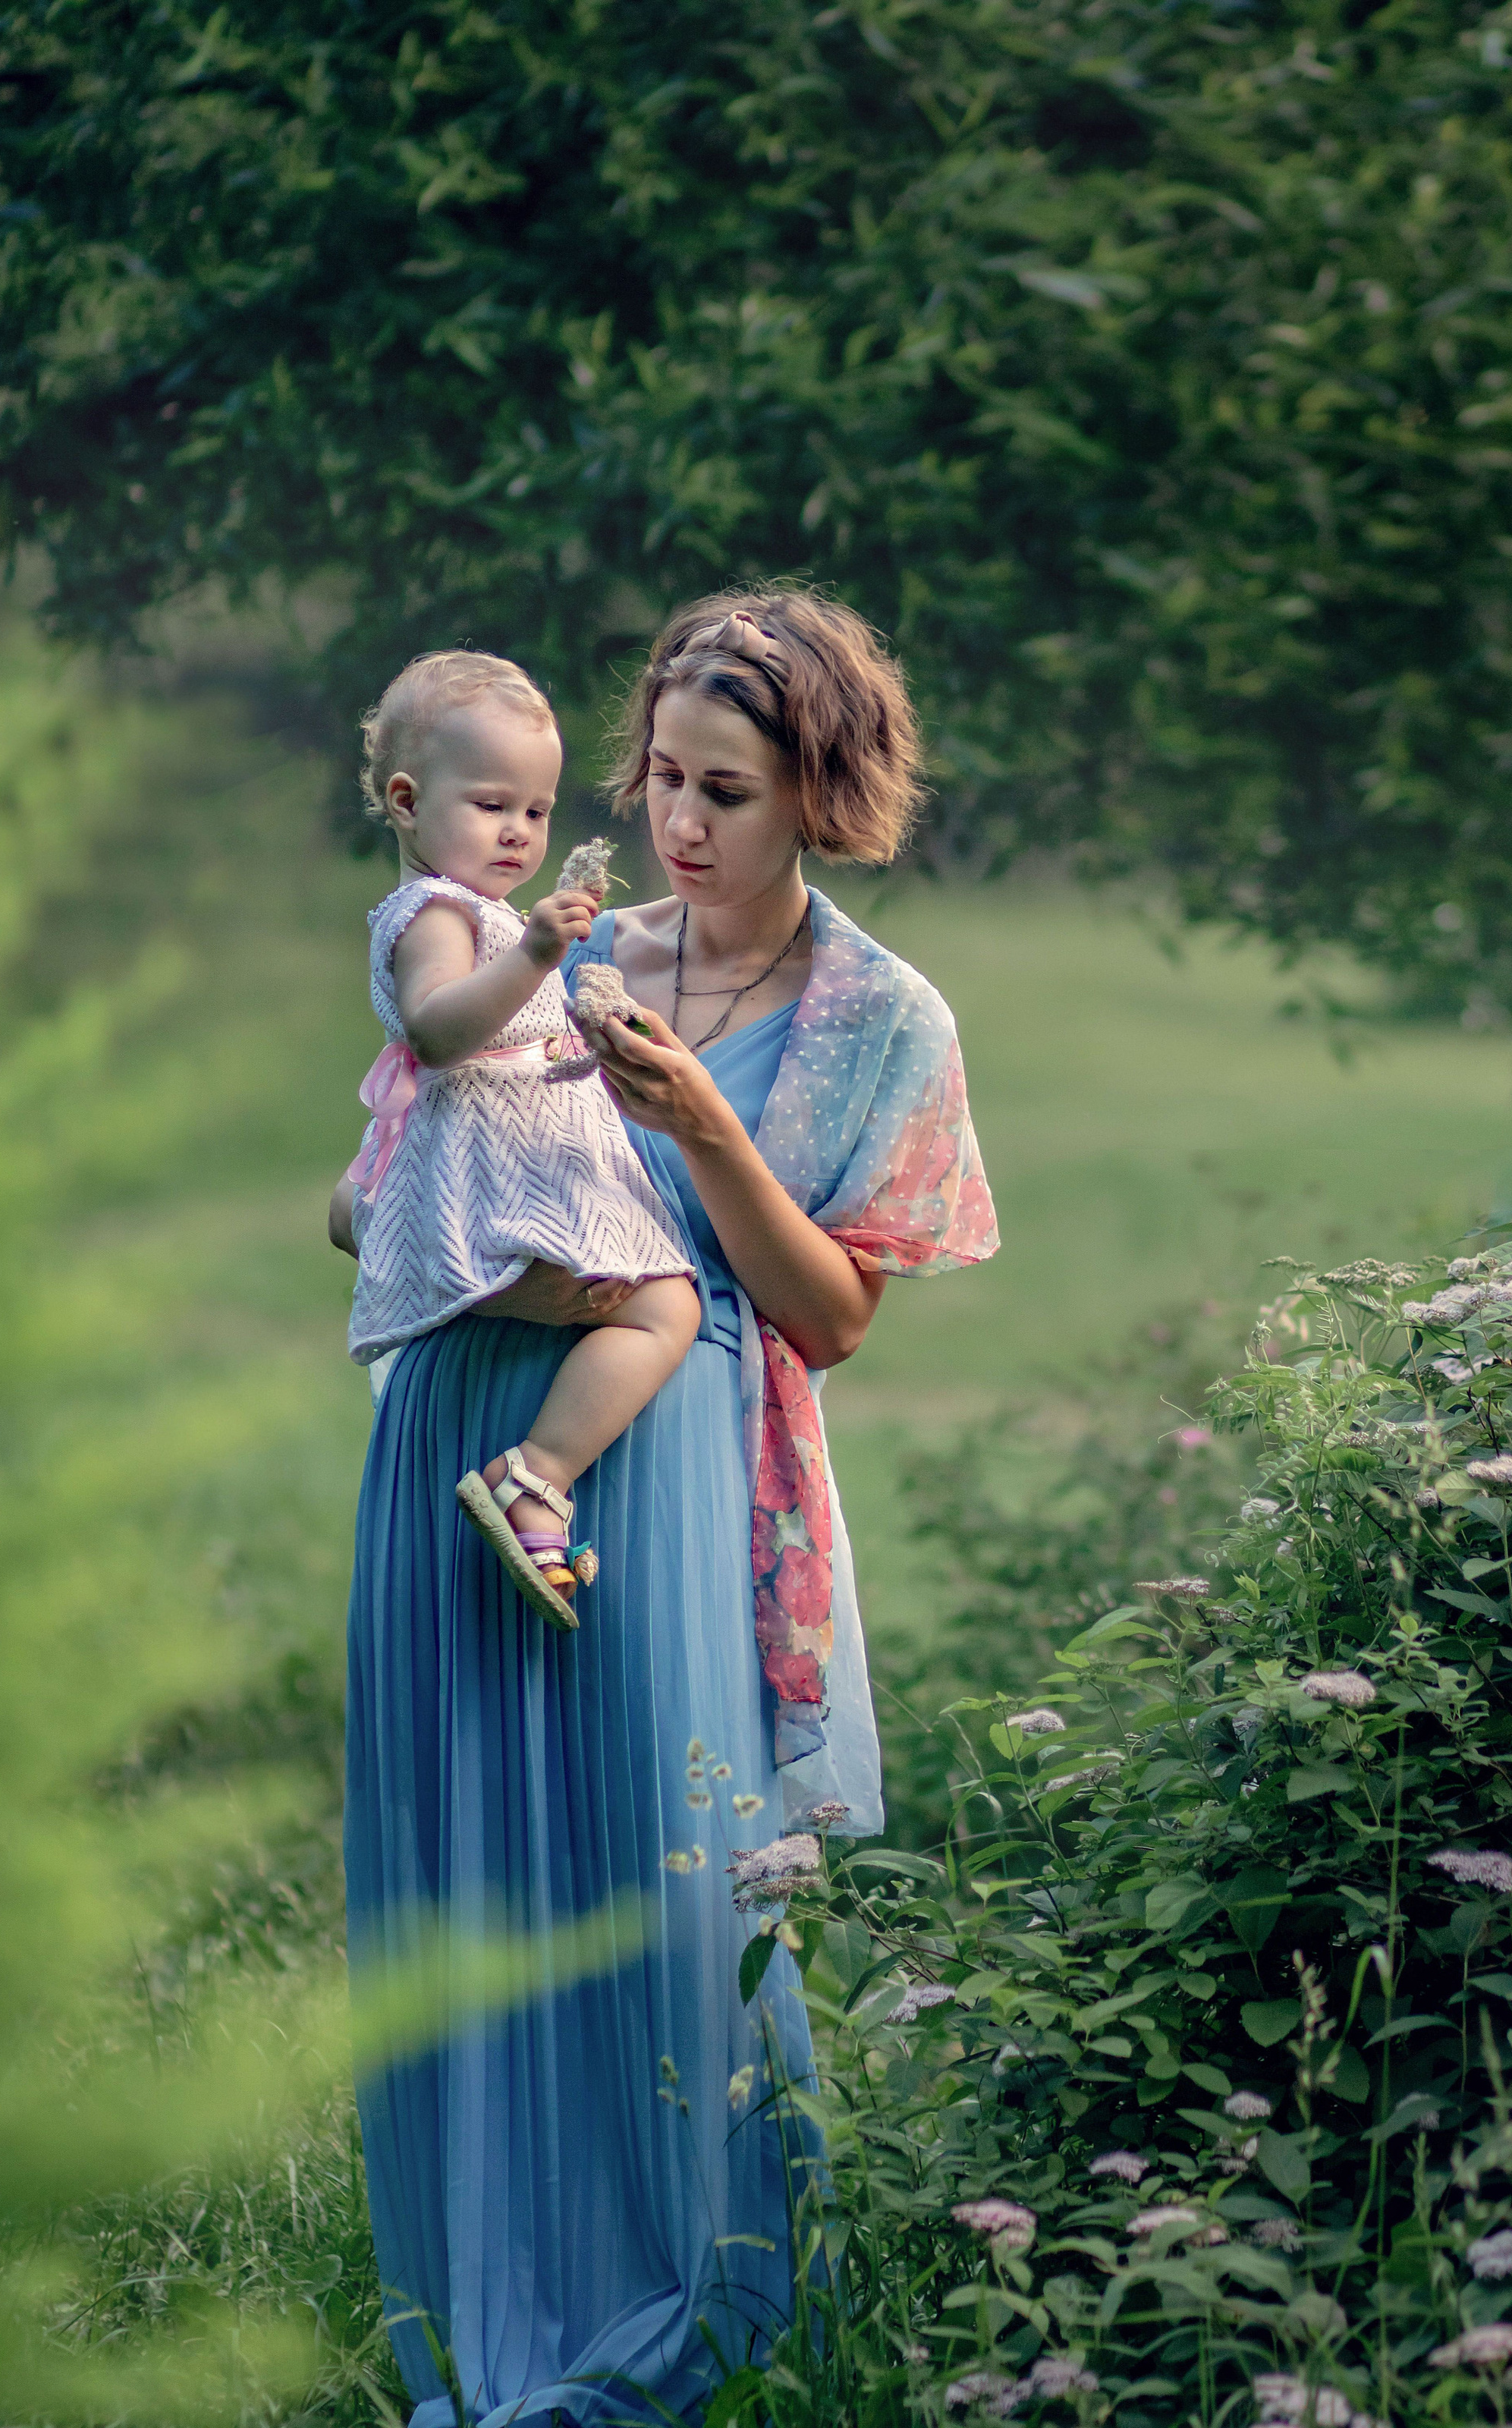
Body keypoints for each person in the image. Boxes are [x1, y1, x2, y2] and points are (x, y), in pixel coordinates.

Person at [335, 590, 999, 2428]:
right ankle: (476, 2313)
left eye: (728, 789)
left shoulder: (877, 1017)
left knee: (663, 1896)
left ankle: (695, 2318)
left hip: (675, 1468)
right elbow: (384, 1157)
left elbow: (834, 1319)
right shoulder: (547, 947)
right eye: (660, 779)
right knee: (469, 1883)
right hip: (464, 1423)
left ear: (819, 800)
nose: (681, 824)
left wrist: (703, 1121)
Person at [338, 649, 699, 1622]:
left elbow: (510, 1038)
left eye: (536, 812)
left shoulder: (482, 912)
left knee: (657, 1303)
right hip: (495, 1177)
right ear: (408, 801)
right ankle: (535, 1473)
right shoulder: (437, 914)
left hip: (509, 1156)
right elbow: (437, 1028)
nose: (519, 832)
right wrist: (537, 953)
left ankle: (535, 1467)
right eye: (493, 804)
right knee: (666, 1306)